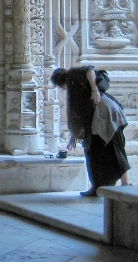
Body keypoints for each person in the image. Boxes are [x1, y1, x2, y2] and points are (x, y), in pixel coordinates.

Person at [51, 66, 131, 196]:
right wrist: (75, 135)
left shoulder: (73, 74)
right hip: (100, 118)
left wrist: (94, 90)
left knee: (115, 150)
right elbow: (78, 112)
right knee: (96, 152)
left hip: (106, 116)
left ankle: (126, 183)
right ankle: (99, 187)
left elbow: (89, 70)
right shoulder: (73, 85)